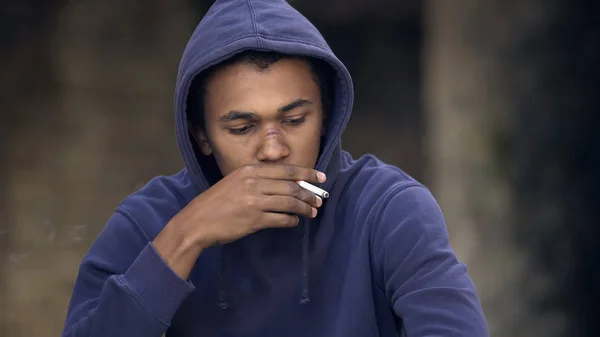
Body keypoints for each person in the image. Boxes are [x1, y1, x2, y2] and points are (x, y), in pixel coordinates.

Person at [61, 0, 489, 336]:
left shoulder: (387, 210)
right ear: (202, 135)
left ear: (326, 116)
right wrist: (186, 236)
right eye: (243, 127)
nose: (273, 150)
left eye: (294, 120)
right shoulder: (149, 221)